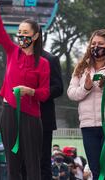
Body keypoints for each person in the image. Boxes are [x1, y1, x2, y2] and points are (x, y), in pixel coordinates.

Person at [0, 0, 50, 180]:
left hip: (31, 115)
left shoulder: (43, 63)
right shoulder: (13, 52)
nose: (21, 36)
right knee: (12, 162)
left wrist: (30, 91)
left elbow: (45, 93)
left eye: (26, 33)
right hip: (10, 112)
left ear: (35, 36)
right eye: (19, 32)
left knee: (32, 164)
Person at [67, 29, 105, 180]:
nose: (96, 47)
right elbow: (71, 93)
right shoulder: (81, 68)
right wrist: (86, 88)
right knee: (96, 170)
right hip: (88, 126)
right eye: (93, 43)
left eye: (101, 43)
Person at [40, 50, 64, 180]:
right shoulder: (18, 58)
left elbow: (58, 88)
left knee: (43, 162)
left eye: (26, 33)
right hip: (22, 118)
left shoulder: (50, 59)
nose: (22, 37)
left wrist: (37, 93)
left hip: (43, 119)